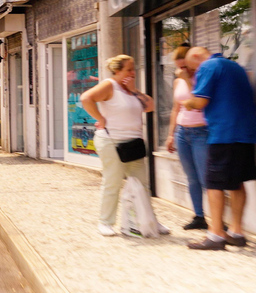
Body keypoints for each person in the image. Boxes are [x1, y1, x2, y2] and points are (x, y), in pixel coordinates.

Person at [80, 55, 169, 237]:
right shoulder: (109, 85)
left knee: (142, 185)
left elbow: (150, 106)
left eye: (133, 68)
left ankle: (149, 220)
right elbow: (86, 98)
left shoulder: (130, 90)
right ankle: (105, 222)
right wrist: (101, 118)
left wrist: (134, 89)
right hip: (111, 142)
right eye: (129, 69)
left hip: (133, 143)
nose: (132, 72)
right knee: (112, 182)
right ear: (118, 70)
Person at [183, 47, 256, 250]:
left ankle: (216, 235)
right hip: (246, 133)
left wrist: (187, 103)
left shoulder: (208, 66)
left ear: (196, 57)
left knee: (214, 184)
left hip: (224, 133)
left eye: (192, 69)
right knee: (236, 183)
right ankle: (236, 232)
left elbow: (200, 100)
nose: (194, 73)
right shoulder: (236, 67)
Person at [165, 44, 209, 230]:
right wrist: (170, 135)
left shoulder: (201, 77)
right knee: (191, 177)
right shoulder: (178, 81)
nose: (180, 70)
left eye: (184, 66)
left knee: (206, 177)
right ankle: (199, 216)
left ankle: (216, 218)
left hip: (201, 131)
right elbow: (176, 108)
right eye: (178, 66)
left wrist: (188, 80)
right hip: (183, 132)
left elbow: (199, 103)